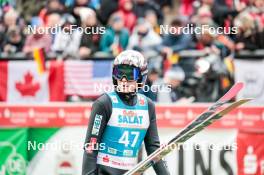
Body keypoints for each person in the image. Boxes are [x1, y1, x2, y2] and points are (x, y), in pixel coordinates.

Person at [82, 50, 170, 175]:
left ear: (141, 77)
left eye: (130, 74)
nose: (123, 80)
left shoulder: (147, 106)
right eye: (119, 73)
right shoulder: (104, 103)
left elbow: (153, 148)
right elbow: (91, 147)